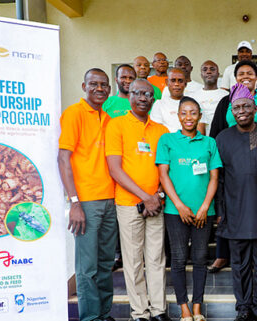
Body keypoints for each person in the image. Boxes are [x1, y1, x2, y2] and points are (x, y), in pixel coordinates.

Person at [105, 79, 171, 321]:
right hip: (128, 203)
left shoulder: (161, 131)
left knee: (156, 258)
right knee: (133, 260)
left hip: (156, 204)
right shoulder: (116, 125)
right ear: (128, 95)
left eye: (147, 93)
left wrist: (158, 197)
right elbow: (115, 169)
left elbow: (167, 169)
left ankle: (159, 310)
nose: (143, 97)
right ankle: (140, 313)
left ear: (154, 99)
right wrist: (145, 197)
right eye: (137, 93)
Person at [58, 68, 118, 321]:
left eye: (104, 85)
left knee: (106, 264)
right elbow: (63, 158)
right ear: (84, 86)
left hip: (110, 200)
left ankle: (104, 314)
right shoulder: (74, 113)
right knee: (87, 267)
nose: (100, 89)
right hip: (86, 202)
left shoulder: (108, 118)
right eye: (94, 84)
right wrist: (74, 203)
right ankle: (91, 317)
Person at [156, 97, 223, 321]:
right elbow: (163, 174)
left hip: (204, 212)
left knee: (201, 257)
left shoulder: (209, 143)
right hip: (176, 212)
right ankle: (183, 308)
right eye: (184, 113)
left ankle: (197, 307)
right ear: (178, 115)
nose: (188, 117)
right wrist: (179, 205)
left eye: (193, 113)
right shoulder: (167, 140)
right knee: (178, 258)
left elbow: (214, 177)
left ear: (199, 116)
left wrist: (205, 206)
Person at [215, 83, 257, 321]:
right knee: (239, 266)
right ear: (231, 110)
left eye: (246, 106)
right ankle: (243, 308)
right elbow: (218, 180)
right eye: (236, 107)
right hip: (234, 211)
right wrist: (220, 211)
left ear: (255, 107)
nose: (241, 111)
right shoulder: (223, 138)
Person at [209, 60, 257, 137]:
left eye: (250, 73)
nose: (245, 76)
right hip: (232, 146)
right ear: (236, 78)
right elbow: (215, 131)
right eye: (241, 74)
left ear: (256, 77)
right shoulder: (225, 102)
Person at [192, 60, 228, 135]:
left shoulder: (226, 95)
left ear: (218, 74)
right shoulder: (194, 97)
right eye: (205, 70)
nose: (208, 72)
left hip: (222, 136)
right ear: (201, 75)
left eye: (212, 69)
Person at [151, 68, 188, 132]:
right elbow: (157, 131)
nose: (176, 84)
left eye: (180, 81)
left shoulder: (193, 104)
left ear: (185, 84)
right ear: (167, 82)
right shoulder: (159, 104)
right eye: (173, 80)